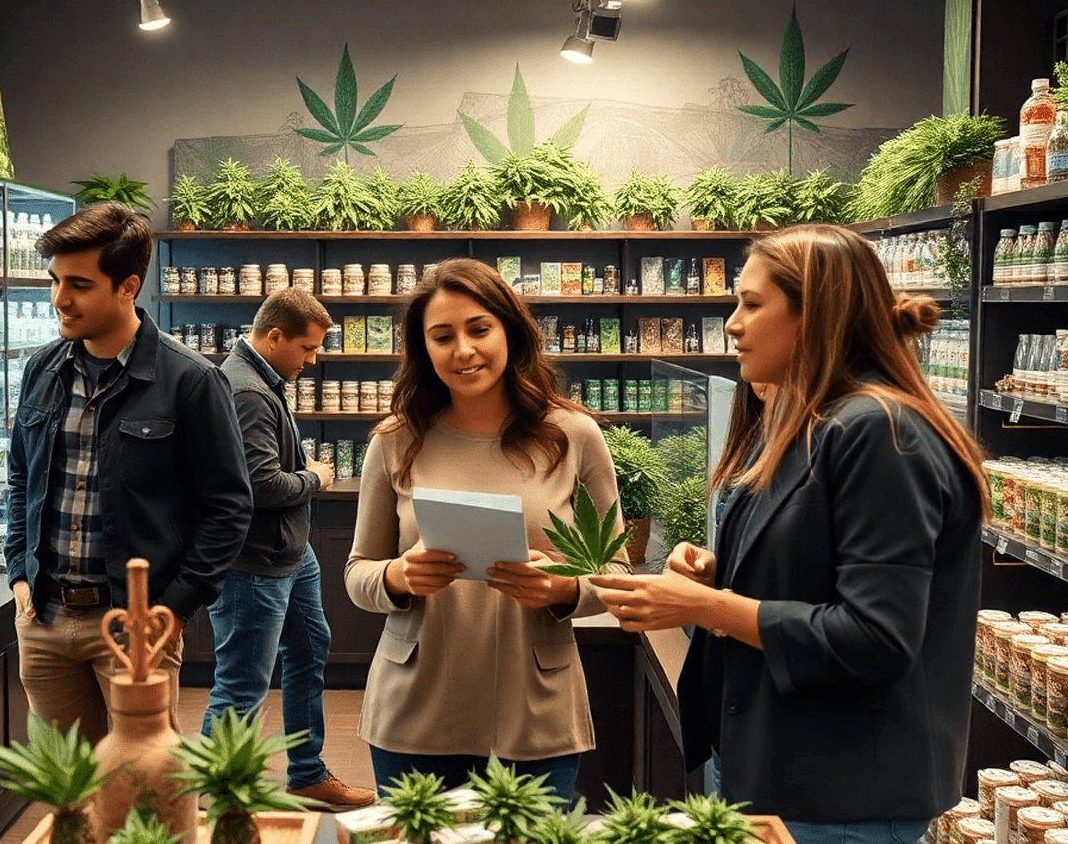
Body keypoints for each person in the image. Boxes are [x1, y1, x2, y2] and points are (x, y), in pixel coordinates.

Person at [593, 225, 988, 844]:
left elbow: (876, 637)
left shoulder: (878, 432)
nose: (732, 323)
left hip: (843, 796)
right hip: (769, 765)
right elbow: (819, 573)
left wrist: (707, 605)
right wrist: (721, 574)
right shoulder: (804, 423)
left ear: (817, 314)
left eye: (752, 303)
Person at [345, 258, 624, 803]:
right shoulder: (395, 439)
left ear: (511, 331)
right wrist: (399, 576)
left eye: (479, 329)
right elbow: (358, 573)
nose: (463, 350)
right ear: (423, 348)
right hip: (413, 709)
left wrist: (565, 588)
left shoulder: (573, 434)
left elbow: (616, 570)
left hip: (536, 710)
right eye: (442, 336)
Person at [5, 200, 253, 739]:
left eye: (79, 285)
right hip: (42, 621)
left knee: (142, 798)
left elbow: (229, 508)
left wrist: (174, 611)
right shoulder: (41, 370)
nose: (59, 300)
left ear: (128, 286)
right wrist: (18, 571)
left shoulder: (190, 380)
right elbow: (21, 477)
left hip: (134, 625)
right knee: (68, 794)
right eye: (54, 281)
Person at [204, 287, 376, 809]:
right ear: (274, 335)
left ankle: (306, 772)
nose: (313, 359)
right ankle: (220, 795)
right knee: (241, 682)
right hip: (253, 560)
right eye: (307, 348)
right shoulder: (248, 391)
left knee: (307, 648)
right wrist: (315, 479)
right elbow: (261, 486)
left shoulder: (260, 378)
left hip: (288, 553)